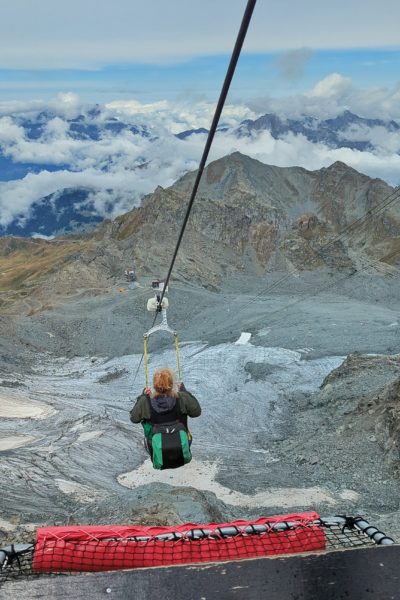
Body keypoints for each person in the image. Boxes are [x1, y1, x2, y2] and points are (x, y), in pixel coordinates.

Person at [130, 368, 201, 469]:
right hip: (182, 441)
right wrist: (185, 392)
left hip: (155, 447)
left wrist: (142, 396)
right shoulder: (182, 397)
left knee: (149, 433)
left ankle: (158, 457)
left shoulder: (145, 401)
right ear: (171, 384)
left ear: (155, 385)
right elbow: (197, 412)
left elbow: (134, 418)